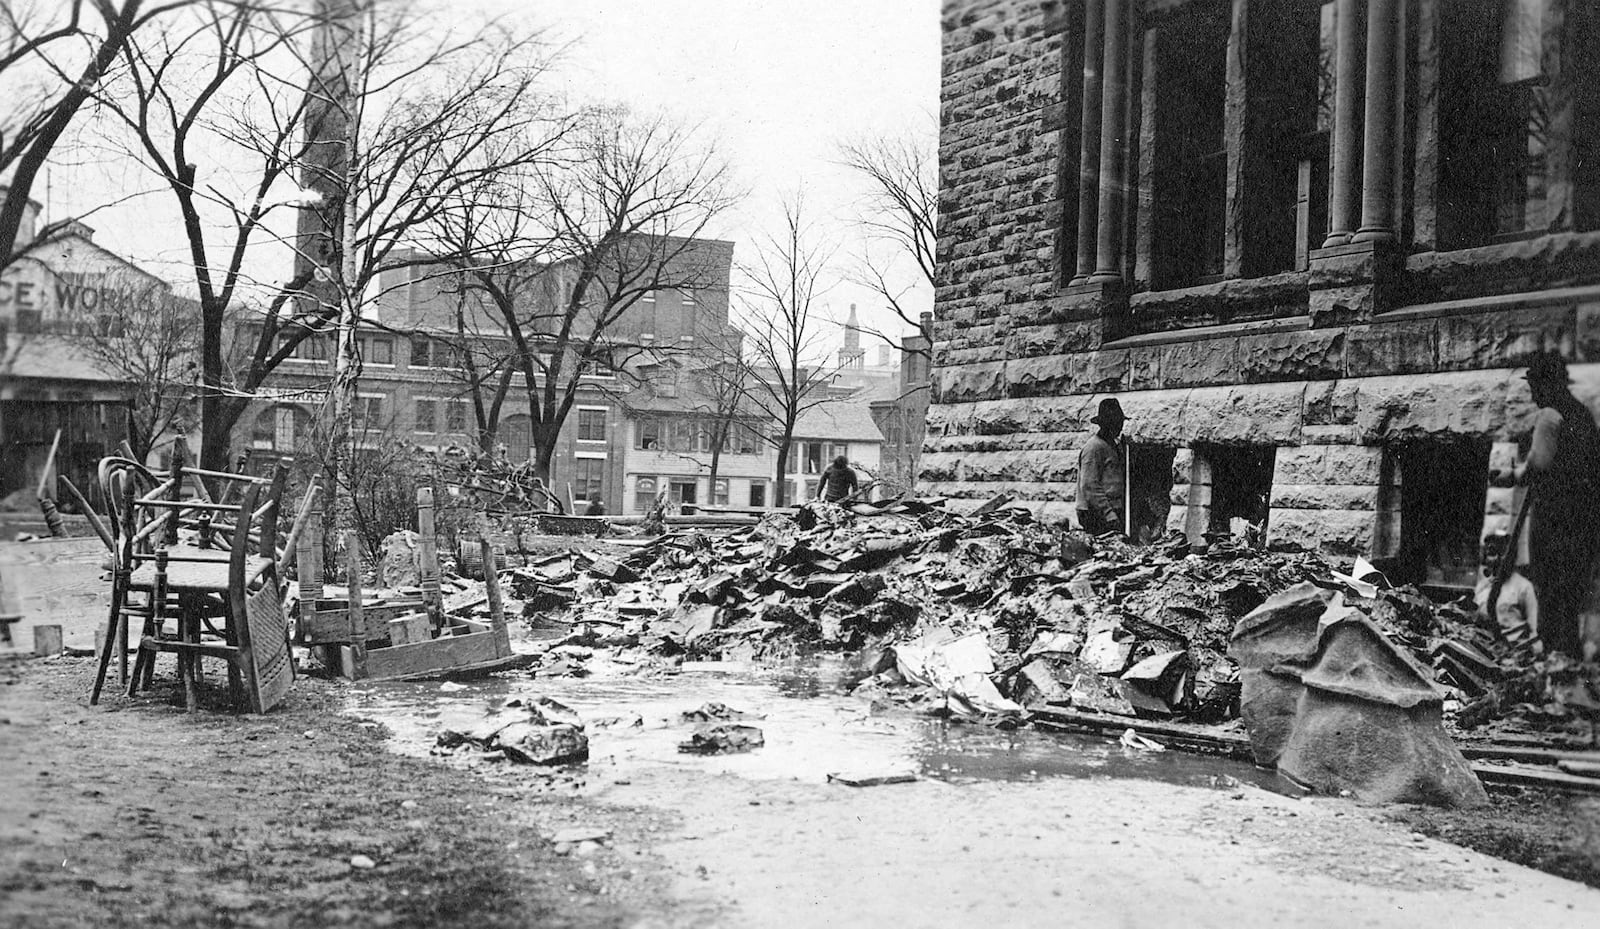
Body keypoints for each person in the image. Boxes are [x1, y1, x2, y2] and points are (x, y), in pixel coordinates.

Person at [1513, 352, 1600, 658]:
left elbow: (1537, 465)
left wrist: (1513, 474)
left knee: (1549, 586)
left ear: (1546, 384)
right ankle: (1568, 657)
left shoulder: (1550, 416)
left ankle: (1554, 657)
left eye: (1535, 385)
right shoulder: (1582, 414)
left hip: (1555, 516)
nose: (1533, 393)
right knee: (1571, 589)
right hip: (1585, 516)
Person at [1474, 531, 1540, 659]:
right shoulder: (1482, 586)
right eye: (1492, 553)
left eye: (1503, 552)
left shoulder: (1524, 587)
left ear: (1512, 556)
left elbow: (1534, 633)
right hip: (1484, 654)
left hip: (1515, 655)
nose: (1499, 559)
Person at [1077, 398, 1126, 535]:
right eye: (1117, 423)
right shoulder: (1094, 448)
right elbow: (1089, 485)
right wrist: (1108, 513)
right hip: (1096, 512)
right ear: (1107, 424)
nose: (1120, 427)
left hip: (1110, 509)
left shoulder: (1112, 446)